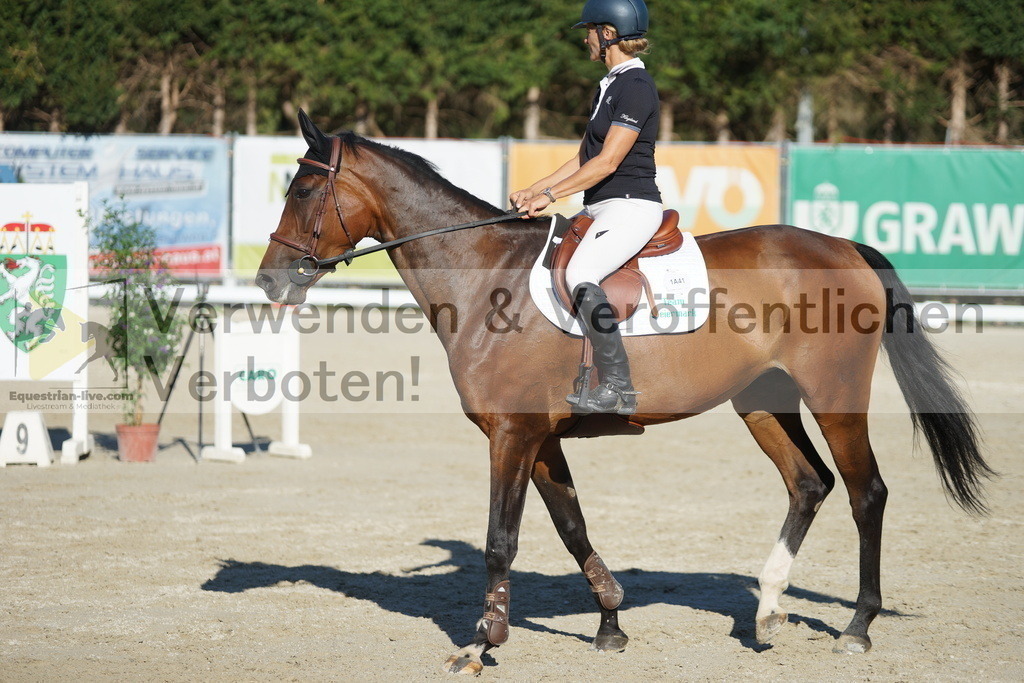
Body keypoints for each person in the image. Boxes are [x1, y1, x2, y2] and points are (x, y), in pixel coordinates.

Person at [510, 0, 661, 416]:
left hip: (630, 205)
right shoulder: (608, 85)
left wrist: (552, 197)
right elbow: (584, 158)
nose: (585, 37)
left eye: (590, 29)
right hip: (600, 206)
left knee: (581, 272)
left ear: (608, 34)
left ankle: (617, 384)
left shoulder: (635, 86)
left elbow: (609, 162)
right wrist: (535, 188)